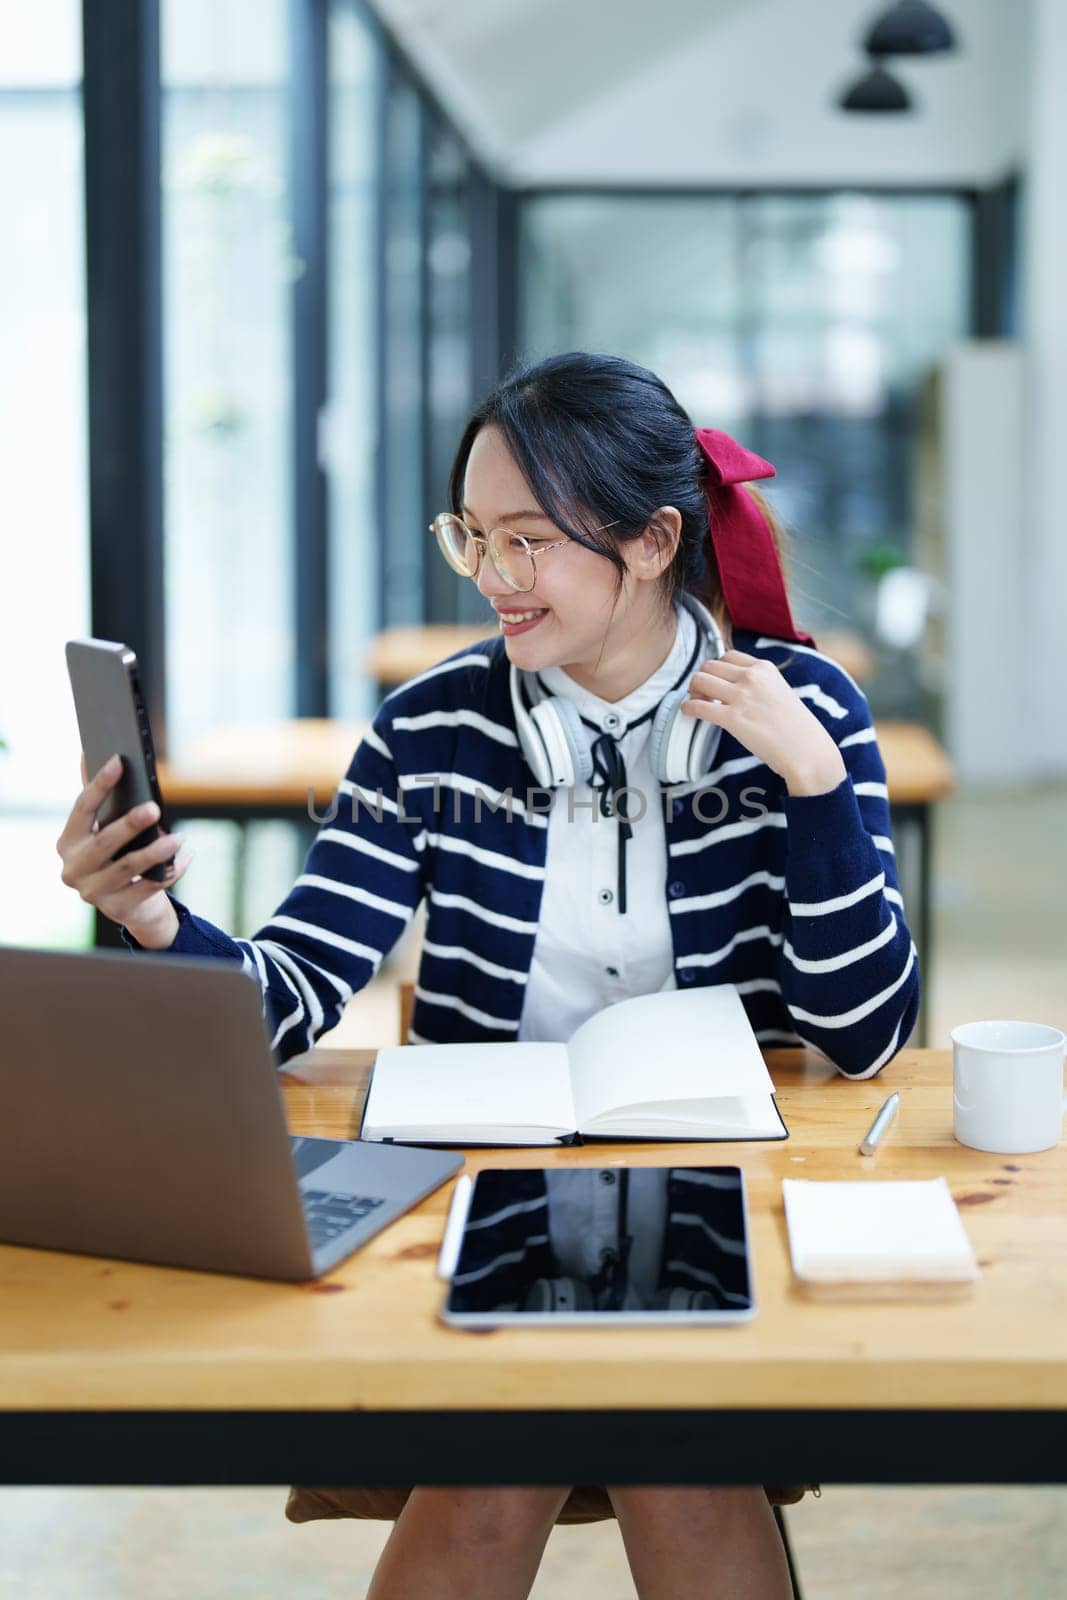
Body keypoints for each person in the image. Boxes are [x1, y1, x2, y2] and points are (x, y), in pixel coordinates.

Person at [57, 350, 919, 1600]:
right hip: (484, 1184)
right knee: (501, 1445)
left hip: (727, 1176)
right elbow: (295, 986)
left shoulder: (802, 709)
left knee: (670, 1442)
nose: (491, 580)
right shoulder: (431, 727)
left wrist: (816, 789)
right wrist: (148, 916)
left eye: (528, 543)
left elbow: (861, 1037)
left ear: (649, 540)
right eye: (474, 537)